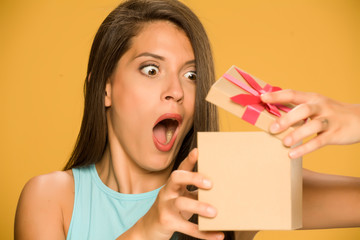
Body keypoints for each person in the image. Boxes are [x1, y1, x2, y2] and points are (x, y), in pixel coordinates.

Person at [14, 0, 360, 240]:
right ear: (103, 88)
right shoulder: (51, 198)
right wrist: (146, 231)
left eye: (191, 75)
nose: (176, 91)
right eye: (151, 69)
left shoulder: (223, 187)